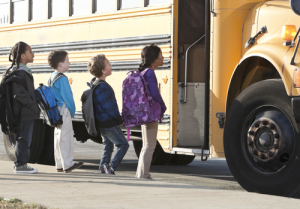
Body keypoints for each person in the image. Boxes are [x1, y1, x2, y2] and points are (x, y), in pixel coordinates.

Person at [88, 54, 129, 175]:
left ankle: (102, 168)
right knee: (123, 145)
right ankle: (111, 167)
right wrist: (119, 119)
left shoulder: (95, 83)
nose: (111, 66)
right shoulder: (102, 87)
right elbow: (110, 107)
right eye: (109, 64)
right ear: (103, 70)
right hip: (108, 122)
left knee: (108, 146)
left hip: (102, 122)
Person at [6, 41, 40, 174]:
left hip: (24, 111)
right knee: (24, 138)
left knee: (25, 138)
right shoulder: (20, 73)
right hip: (24, 112)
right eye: (30, 51)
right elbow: (19, 94)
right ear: (22, 56)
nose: (33, 54)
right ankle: (20, 165)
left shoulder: (21, 71)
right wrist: (32, 105)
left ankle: (21, 164)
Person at [48, 50, 83, 173]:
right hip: (64, 110)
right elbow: (68, 98)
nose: (69, 63)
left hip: (56, 111)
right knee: (66, 137)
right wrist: (72, 111)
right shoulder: (62, 78)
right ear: (60, 64)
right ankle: (68, 164)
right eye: (67, 61)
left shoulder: (52, 76)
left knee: (58, 137)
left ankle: (59, 164)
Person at [136, 44, 167, 180]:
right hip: (151, 113)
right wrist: (162, 106)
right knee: (150, 145)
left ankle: (141, 173)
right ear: (154, 58)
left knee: (146, 145)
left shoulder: (143, 72)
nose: (163, 58)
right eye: (161, 55)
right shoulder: (149, 73)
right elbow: (154, 93)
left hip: (144, 112)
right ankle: (144, 174)